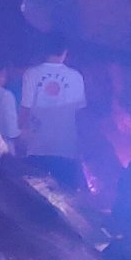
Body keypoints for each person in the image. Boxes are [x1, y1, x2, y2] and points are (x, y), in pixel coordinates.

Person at [19, 46, 87, 185]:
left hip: (37, 146)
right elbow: (81, 115)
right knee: (66, 198)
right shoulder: (76, 76)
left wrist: (18, 137)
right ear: (65, 52)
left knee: (35, 196)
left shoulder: (31, 74)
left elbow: (25, 110)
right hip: (66, 147)